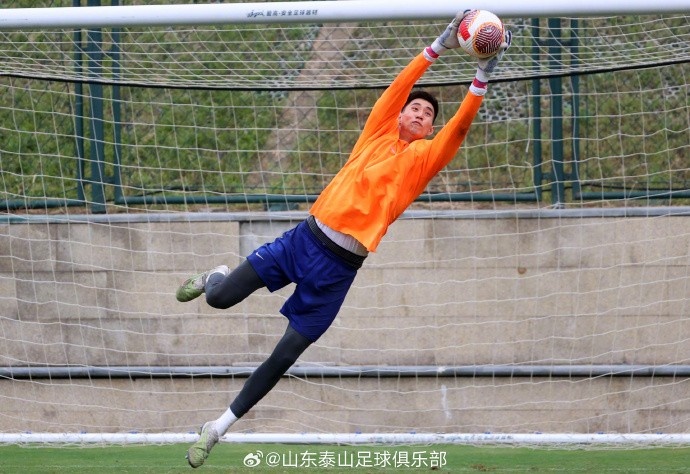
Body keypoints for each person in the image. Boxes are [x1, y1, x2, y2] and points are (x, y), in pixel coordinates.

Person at [176, 10, 511, 468]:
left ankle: (216, 428)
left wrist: (482, 74)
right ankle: (213, 276)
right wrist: (437, 47)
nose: (420, 112)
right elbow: (397, 89)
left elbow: (461, 127)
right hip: (302, 242)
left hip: (337, 271)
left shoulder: (422, 160)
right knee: (219, 299)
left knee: (285, 355)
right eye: (415, 107)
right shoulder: (375, 134)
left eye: (428, 113)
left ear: (430, 129)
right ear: (400, 114)